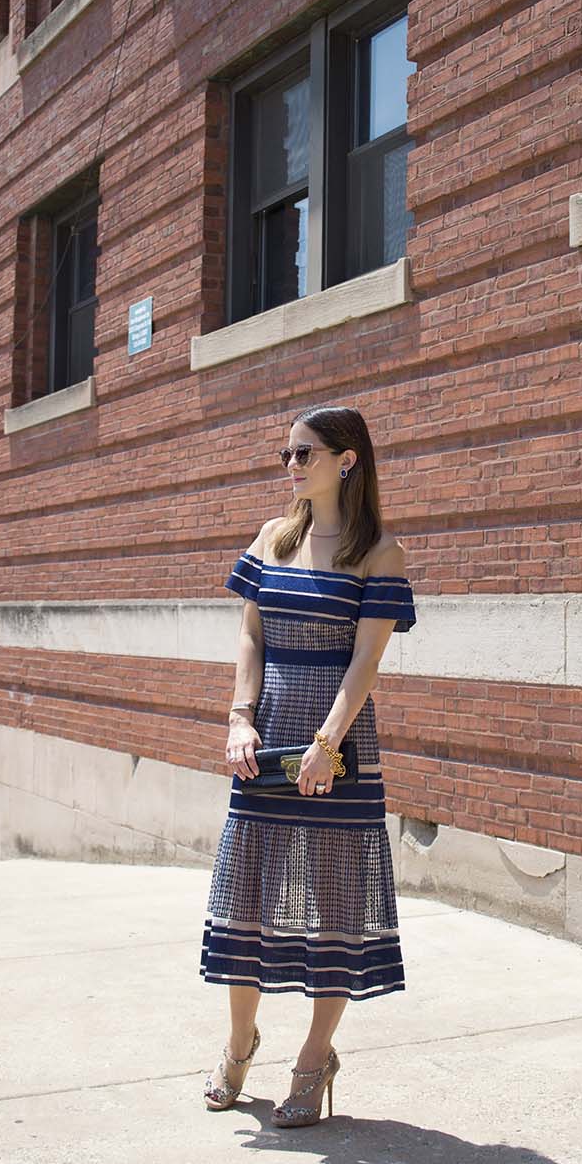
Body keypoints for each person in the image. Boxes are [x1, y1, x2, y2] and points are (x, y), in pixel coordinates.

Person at [200, 404, 417, 1127]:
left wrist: (326, 746)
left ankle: (313, 1060)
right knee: (246, 903)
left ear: (346, 460)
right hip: (264, 747)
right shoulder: (272, 537)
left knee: (333, 909)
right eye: (286, 454)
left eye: (304, 454)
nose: (291, 466)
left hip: (337, 748)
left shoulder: (379, 552)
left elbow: (367, 662)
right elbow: (250, 637)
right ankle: (238, 1045)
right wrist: (238, 719)